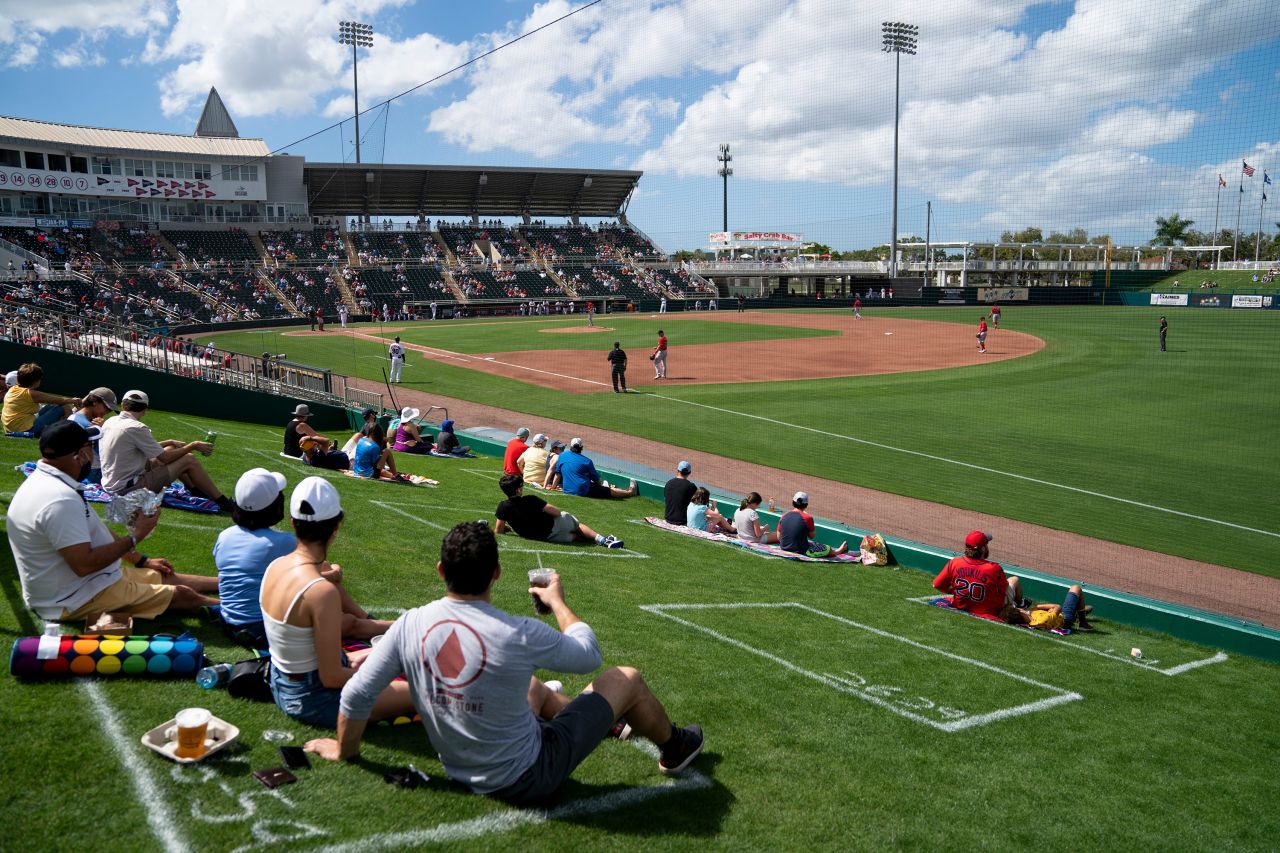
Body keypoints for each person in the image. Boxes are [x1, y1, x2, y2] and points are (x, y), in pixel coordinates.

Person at [304, 521, 705, 803]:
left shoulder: (411, 624)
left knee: (531, 687)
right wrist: (559, 603)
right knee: (626, 677)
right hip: (529, 777)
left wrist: (345, 751)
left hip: (461, 766)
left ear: (442, 570)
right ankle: (676, 747)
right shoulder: (517, 631)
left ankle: (595, 721)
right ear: (496, 573)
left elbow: (355, 695)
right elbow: (589, 656)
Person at [6, 421, 218, 621]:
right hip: (72, 598)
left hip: (82, 584)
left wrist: (141, 561)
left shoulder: (51, 483)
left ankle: (237, 583)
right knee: (185, 596)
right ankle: (246, 615)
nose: (93, 454)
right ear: (80, 455)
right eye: (90, 447)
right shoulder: (59, 499)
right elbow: (84, 565)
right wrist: (137, 536)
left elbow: (94, 530)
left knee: (165, 576)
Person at [261, 477, 412, 728]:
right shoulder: (321, 591)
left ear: (293, 523)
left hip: (282, 682)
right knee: (425, 691)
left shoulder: (275, 567)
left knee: (386, 653)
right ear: (336, 528)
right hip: (314, 699)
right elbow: (331, 677)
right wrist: (385, 676)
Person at [98, 390, 235, 512]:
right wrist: (193, 445)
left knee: (171, 449)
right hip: (126, 489)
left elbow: (137, 448)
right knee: (189, 459)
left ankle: (196, 490)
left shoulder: (111, 421)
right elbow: (165, 458)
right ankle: (222, 501)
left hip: (112, 482)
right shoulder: (136, 427)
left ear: (123, 404)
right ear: (145, 409)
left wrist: (170, 442)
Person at [495, 474, 624, 548]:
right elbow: (556, 512)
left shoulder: (503, 506)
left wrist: (510, 528)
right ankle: (603, 540)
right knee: (572, 521)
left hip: (542, 537)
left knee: (574, 536)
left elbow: (499, 530)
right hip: (550, 527)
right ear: (518, 490)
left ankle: (601, 541)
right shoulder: (530, 499)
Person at [932, 531, 1014, 622]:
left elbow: (936, 585)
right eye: (986, 544)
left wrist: (952, 591)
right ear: (982, 549)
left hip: (961, 605)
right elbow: (1003, 589)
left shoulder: (955, 562)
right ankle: (1020, 603)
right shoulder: (994, 568)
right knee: (1014, 580)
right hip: (987, 610)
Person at [2, 362, 80, 436]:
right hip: (25, 430)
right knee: (64, 406)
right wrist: (73, 400)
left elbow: (54, 401)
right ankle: (69, 433)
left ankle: (61, 431)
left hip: (10, 429)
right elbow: (57, 400)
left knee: (54, 406)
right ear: (36, 381)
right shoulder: (30, 393)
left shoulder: (13, 389)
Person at [555, 438, 638, 499]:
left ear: (571, 446)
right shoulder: (587, 461)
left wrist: (553, 487)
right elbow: (597, 481)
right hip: (583, 491)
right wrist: (601, 487)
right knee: (609, 491)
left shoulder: (562, 456)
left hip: (567, 489)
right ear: (581, 448)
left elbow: (557, 475)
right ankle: (630, 492)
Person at [70, 387, 118, 484]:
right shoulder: (89, 426)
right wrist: (104, 429)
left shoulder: (75, 416)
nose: (107, 412)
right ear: (95, 401)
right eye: (106, 408)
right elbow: (106, 453)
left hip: (77, 468)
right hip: (93, 472)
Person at [1004, 582, 1095, 634]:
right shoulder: (1041, 620)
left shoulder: (1030, 616)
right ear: (1019, 612)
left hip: (1056, 615)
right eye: (1018, 608)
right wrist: (1038, 606)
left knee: (1076, 602)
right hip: (1065, 618)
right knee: (1076, 588)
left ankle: (1078, 613)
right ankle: (1082, 622)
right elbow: (1057, 607)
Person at [777, 491, 848, 557]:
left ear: (793, 502)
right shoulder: (807, 518)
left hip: (784, 548)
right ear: (806, 504)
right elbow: (812, 536)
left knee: (810, 543)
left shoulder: (784, 515)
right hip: (801, 550)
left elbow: (778, 537)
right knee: (827, 548)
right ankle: (839, 551)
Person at [663, 460, 697, 525]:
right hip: (683, 521)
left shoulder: (669, 483)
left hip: (668, 518)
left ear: (678, 470)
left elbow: (666, 499)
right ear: (689, 472)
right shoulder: (691, 486)